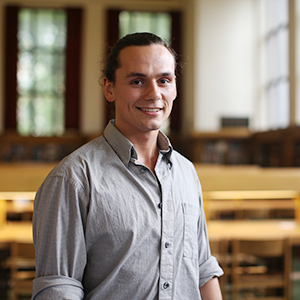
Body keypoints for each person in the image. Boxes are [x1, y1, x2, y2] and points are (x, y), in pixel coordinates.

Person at [31, 32, 223, 300]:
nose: (154, 93)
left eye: (164, 80)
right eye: (137, 81)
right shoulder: (73, 178)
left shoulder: (186, 172)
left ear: (175, 87)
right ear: (109, 88)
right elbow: (59, 288)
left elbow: (202, 269)